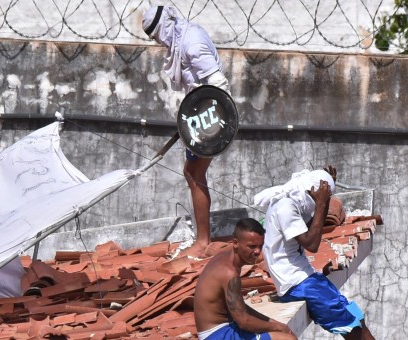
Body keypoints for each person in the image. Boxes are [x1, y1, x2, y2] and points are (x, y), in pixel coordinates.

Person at [142, 5, 230, 258]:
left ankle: (203, 242)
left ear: (164, 27)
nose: (158, 41)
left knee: (194, 173)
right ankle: (202, 238)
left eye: (156, 34)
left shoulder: (191, 43)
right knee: (192, 172)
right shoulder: (186, 37)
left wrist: (205, 124)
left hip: (209, 119)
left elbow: (217, 83)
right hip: (199, 117)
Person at [254, 166, 375, 340]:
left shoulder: (293, 203)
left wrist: (324, 201)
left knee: (357, 318)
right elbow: (312, 243)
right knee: (353, 328)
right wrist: (320, 204)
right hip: (297, 285)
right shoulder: (285, 207)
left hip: (306, 279)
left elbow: (314, 227)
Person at [194, 218, 296, 340]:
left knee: (283, 331)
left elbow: (239, 307)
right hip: (218, 335)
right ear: (235, 243)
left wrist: (272, 322)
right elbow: (244, 321)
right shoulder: (230, 273)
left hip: (223, 329)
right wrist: (277, 327)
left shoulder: (223, 258)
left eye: (260, 246)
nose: (258, 251)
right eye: (252, 246)